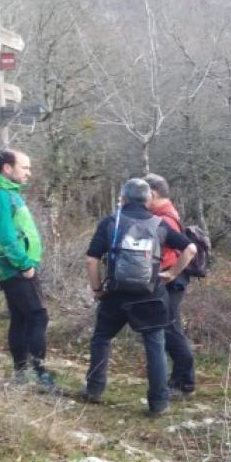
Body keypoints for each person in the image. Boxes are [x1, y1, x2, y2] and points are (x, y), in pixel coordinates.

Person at [82, 178, 197, 417]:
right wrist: (171, 274)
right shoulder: (159, 224)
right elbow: (191, 249)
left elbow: (92, 259)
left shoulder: (111, 222)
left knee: (102, 338)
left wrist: (96, 290)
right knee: (155, 345)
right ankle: (159, 403)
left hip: (115, 294)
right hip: (150, 295)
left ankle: (94, 389)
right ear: (148, 200)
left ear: (123, 199)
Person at [0, 150, 53, 390]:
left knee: (21, 318)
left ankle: (22, 373)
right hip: (16, 268)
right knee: (37, 316)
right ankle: (39, 374)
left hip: (17, 267)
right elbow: (6, 238)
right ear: (7, 169)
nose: (29, 173)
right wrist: (24, 265)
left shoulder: (7, 192)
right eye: (25, 167)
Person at [145, 174, 196, 398]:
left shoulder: (164, 218)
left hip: (171, 283)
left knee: (170, 329)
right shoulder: (164, 213)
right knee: (171, 329)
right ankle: (181, 380)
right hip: (173, 281)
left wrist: (172, 273)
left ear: (153, 193)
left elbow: (189, 249)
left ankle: (184, 382)